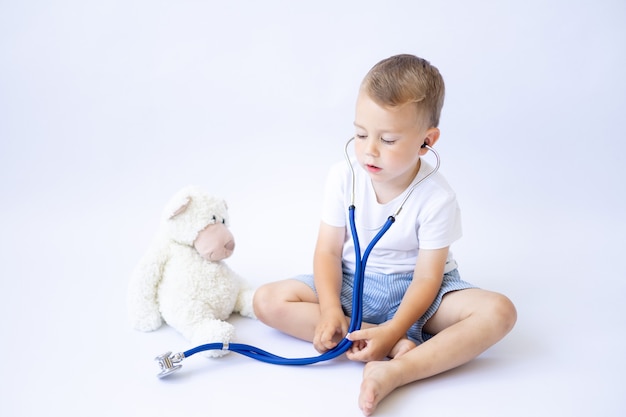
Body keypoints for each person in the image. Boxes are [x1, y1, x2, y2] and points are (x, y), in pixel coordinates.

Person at [252, 54, 517, 416]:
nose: (368, 150)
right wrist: (330, 310)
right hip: (350, 284)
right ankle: (382, 339)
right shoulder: (343, 177)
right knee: (267, 301)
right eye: (360, 134)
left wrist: (396, 327)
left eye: (388, 139)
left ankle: (397, 370)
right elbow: (328, 252)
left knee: (499, 312)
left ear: (427, 140)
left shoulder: (437, 198)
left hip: (419, 293)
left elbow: (428, 277)